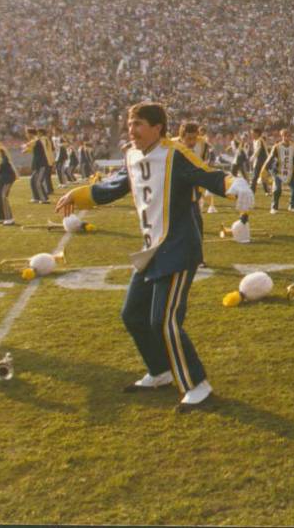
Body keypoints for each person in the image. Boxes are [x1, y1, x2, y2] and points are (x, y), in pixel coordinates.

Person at [55, 102, 255, 411]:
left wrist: (234, 185)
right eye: (129, 124)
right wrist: (79, 194)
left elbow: (209, 175)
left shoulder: (175, 153)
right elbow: (113, 186)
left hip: (178, 248)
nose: (131, 130)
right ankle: (160, 371)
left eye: (137, 124)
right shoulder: (132, 155)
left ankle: (197, 385)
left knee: (164, 320)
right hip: (152, 249)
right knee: (132, 315)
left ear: (157, 128)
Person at [262, 127, 294, 214]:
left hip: (290, 172)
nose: (287, 137)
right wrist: (265, 169)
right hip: (278, 171)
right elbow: (270, 158)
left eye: (288, 136)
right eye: (285, 135)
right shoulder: (276, 147)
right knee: (277, 189)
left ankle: (292, 206)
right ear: (282, 136)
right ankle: (274, 207)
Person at [23, 127, 50, 203]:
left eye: (27, 133)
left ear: (30, 133)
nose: (26, 135)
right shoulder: (34, 140)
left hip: (42, 165)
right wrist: (25, 150)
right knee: (32, 180)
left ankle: (44, 199)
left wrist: (25, 147)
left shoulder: (36, 139)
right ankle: (36, 198)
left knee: (38, 182)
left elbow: (30, 145)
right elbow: (30, 148)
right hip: (37, 165)